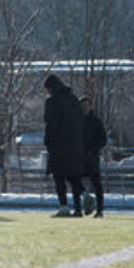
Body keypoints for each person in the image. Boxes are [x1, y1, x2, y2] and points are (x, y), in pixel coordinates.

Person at [43, 74, 88, 218]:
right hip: (76, 145)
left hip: (59, 145)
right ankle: (83, 199)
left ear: (50, 88)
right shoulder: (73, 99)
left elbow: (51, 124)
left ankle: (64, 207)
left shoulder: (52, 101)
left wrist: (47, 140)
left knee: (59, 176)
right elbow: (82, 121)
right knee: (73, 176)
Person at [83, 97, 108, 218]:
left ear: (90, 106)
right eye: (82, 106)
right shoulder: (76, 120)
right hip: (79, 157)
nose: (84, 108)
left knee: (97, 184)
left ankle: (99, 210)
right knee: (74, 180)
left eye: (86, 105)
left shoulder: (96, 121)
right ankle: (83, 206)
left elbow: (103, 139)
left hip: (92, 158)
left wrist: (92, 150)